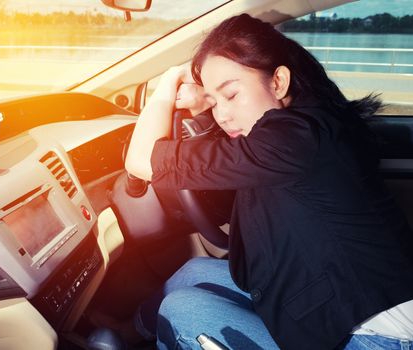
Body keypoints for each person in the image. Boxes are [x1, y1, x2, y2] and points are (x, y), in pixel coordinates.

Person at [124, 13, 413, 350]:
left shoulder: (290, 139)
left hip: (371, 335)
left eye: (231, 96)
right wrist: (211, 97)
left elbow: (141, 161)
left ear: (278, 82)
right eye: (214, 101)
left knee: (182, 312)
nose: (221, 114)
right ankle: (124, 334)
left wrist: (168, 84)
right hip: (341, 292)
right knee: (192, 274)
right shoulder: (308, 121)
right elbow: (234, 141)